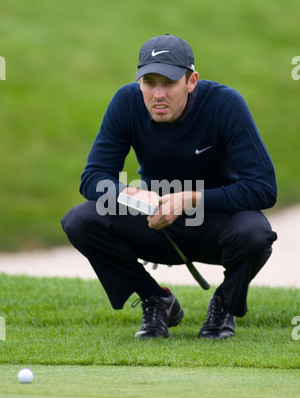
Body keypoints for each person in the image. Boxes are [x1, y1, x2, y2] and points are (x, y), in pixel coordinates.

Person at [61, 34, 277, 339]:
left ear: (191, 81)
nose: (158, 94)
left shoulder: (226, 104)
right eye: (149, 82)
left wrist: (191, 199)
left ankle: (224, 304)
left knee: (255, 233)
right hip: (155, 222)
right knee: (80, 221)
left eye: (169, 82)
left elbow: (263, 189)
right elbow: (93, 178)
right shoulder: (126, 102)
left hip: (215, 222)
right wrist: (130, 195)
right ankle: (156, 300)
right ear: (139, 83)